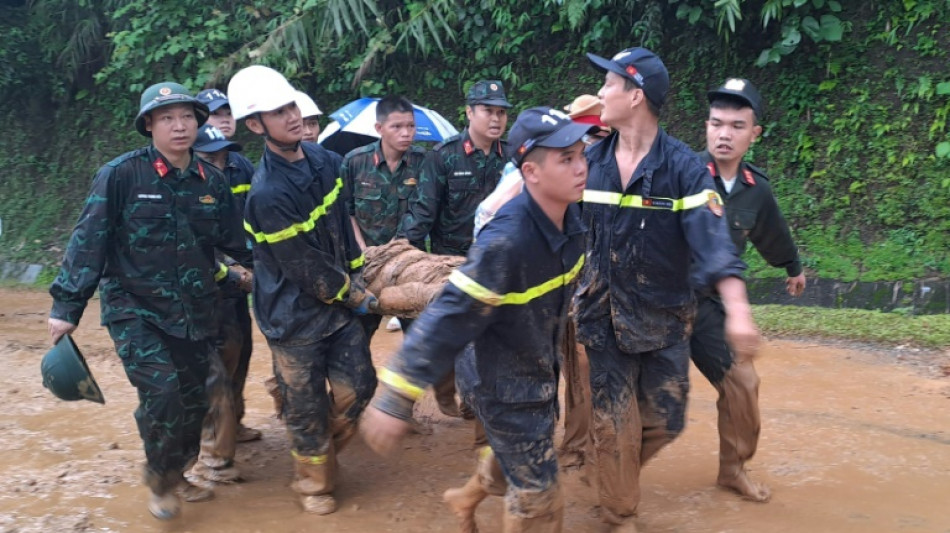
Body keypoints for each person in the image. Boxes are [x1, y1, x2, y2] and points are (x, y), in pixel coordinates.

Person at [362, 107, 596, 533]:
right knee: (540, 499)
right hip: (502, 382)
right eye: (567, 159)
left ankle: (464, 499)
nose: (582, 167)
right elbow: (451, 313)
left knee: (514, 457)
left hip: (536, 367)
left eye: (582, 155)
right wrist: (395, 396)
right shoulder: (507, 242)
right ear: (532, 172)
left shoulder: (573, 220)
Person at [575, 47, 760, 532]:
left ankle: (611, 470)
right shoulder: (588, 161)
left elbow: (715, 243)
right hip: (601, 315)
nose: (601, 93)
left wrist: (738, 312)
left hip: (665, 320)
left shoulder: (683, 169)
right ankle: (619, 513)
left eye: (609, 84)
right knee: (615, 421)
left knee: (665, 419)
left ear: (635, 96)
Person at [47, 81, 251, 520]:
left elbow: (239, 243)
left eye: (187, 117)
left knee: (196, 399)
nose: (179, 126)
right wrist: (66, 307)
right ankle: (161, 480)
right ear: (148, 126)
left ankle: (177, 469)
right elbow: (88, 241)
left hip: (197, 311)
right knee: (163, 394)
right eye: (167, 118)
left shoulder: (210, 181)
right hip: (134, 308)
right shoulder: (121, 175)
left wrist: (271, 270)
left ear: (198, 123)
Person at [227, 65, 379, 515]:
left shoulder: (328, 163)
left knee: (359, 388)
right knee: (307, 403)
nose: (292, 116)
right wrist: (356, 296)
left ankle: (311, 437)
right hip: (292, 317)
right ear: (256, 125)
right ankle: (313, 482)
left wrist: (360, 271)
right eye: (278, 112)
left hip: (337, 306)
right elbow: (303, 265)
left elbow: (341, 229)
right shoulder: (267, 192)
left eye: (292, 105)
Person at [690, 77, 806, 502]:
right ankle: (609, 476)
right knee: (646, 403)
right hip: (660, 305)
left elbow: (772, 233)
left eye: (737, 126)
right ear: (706, 127)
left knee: (743, 383)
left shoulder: (757, 190)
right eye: (717, 124)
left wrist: (792, 267)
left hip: (709, 308)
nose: (724, 134)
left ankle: (733, 468)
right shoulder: (680, 174)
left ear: (754, 134)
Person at [401, 79, 512, 419]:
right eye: (487, 111)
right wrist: (406, 257)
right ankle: (453, 391)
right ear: (469, 112)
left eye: (501, 112)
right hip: (453, 265)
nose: (495, 119)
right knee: (457, 340)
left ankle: (480, 402)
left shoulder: (511, 156)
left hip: (498, 263)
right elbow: (423, 213)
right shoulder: (444, 157)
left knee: (495, 337)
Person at [183, 124, 254, 486]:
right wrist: (232, 271)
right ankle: (210, 457)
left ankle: (231, 430)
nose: (220, 163)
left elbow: (247, 228)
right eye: (211, 157)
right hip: (199, 294)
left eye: (223, 156)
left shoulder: (237, 172)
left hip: (234, 291)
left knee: (238, 354)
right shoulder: (178, 187)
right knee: (211, 375)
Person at [196, 88, 261, 442]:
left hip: (240, 280)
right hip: (208, 281)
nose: (224, 119)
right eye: (214, 113)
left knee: (242, 347)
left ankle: (233, 421)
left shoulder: (240, 165)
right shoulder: (187, 171)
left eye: (228, 112)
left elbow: (255, 218)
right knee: (215, 357)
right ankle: (212, 434)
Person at [341, 95, 425, 342]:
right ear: (379, 129)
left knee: (420, 343)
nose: (406, 133)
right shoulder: (355, 162)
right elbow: (346, 212)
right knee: (356, 339)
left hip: (409, 267)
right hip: (367, 268)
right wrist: (363, 252)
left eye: (410, 126)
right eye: (396, 127)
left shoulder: (423, 162)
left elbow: (426, 212)